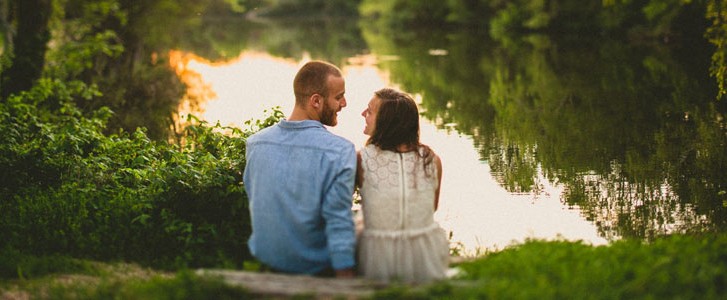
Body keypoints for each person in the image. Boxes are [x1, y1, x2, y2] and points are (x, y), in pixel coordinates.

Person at [243, 60, 356, 278]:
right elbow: (338, 221)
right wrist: (346, 285)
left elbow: (255, 199)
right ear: (316, 101)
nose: (344, 103)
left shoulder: (256, 143)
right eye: (339, 96)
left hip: (266, 263)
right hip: (314, 270)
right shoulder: (340, 151)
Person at [356, 88, 449, 283]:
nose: (363, 114)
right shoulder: (432, 159)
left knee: (356, 220)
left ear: (386, 123)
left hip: (378, 259)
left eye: (370, 111)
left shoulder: (362, 159)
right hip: (423, 257)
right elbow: (432, 208)